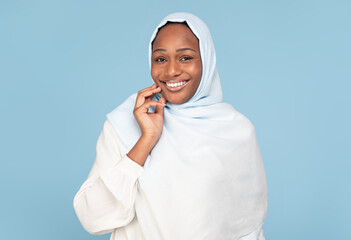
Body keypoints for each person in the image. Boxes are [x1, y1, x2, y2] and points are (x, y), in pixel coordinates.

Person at [73, 12, 268, 240]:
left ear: (207, 59)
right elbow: (93, 217)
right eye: (161, 59)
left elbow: (247, 227)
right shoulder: (123, 125)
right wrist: (146, 140)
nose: (172, 71)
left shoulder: (237, 131)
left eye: (185, 57)